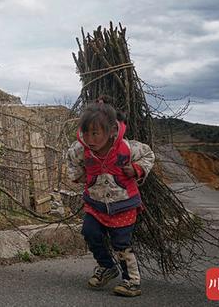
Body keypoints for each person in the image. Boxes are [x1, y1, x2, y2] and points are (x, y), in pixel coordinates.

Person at [66, 96, 155, 297]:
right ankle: (106, 267)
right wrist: (79, 176)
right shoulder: (81, 150)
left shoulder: (126, 148)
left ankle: (131, 281)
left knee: (121, 244)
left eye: (95, 133)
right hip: (95, 205)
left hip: (123, 205)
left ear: (112, 131)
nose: (90, 139)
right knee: (90, 233)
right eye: (86, 133)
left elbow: (148, 155)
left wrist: (137, 169)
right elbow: (70, 159)